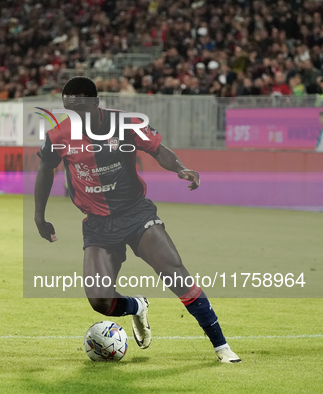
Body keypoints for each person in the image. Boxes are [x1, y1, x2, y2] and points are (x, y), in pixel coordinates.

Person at [34, 76, 241, 363]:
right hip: (97, 224)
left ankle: (221, 347)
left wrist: (180, 168)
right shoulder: (59, 135)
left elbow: (158, 149)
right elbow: (45, 169)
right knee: (100, 300)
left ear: (95, 103)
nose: (75, 114)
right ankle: (137, 305)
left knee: (175, 273)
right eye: (69, 108)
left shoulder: (126, 124)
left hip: (135, 214)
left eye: (80, 107)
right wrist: (39, 216)